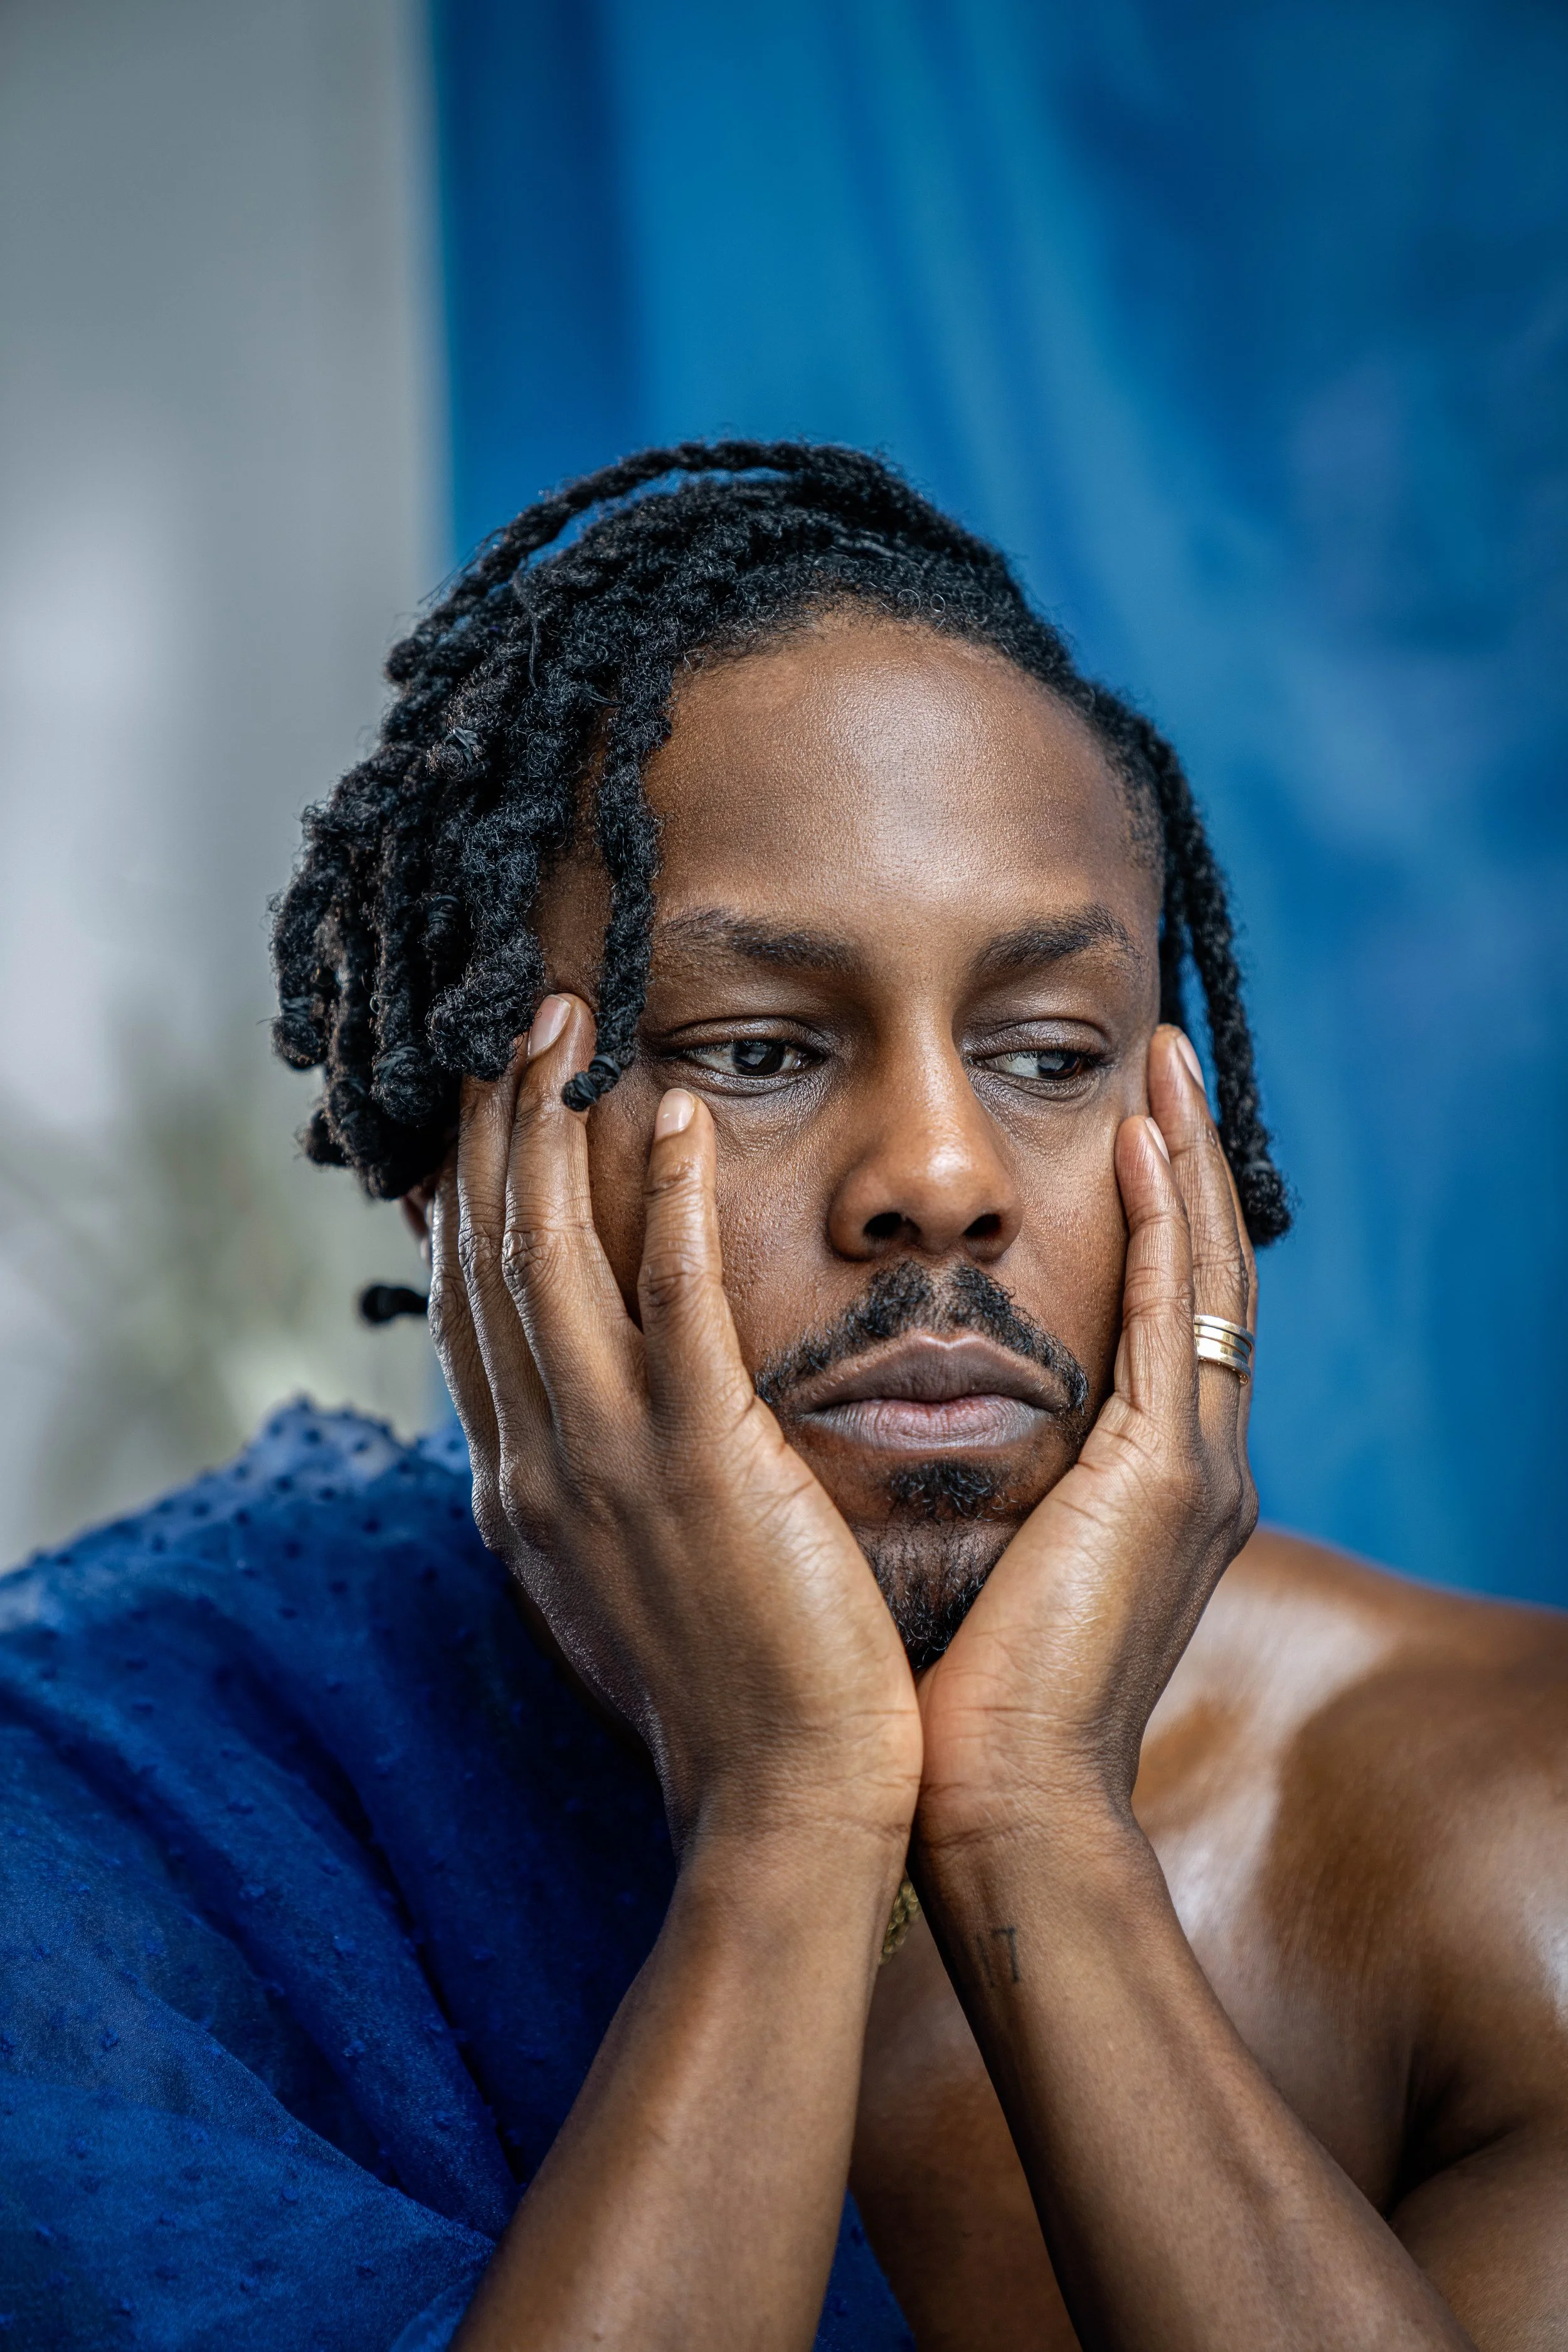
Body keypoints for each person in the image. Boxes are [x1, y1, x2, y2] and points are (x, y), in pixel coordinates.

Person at [4, 444, 1565, 2352]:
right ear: (462, 1178)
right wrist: (795, 1814)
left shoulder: (1501, 1812)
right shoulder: (97, 1823)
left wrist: (1033, 1833)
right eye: (753, 1049)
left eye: (1051, 1052)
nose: (941, 1166)